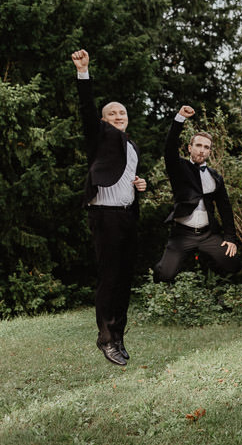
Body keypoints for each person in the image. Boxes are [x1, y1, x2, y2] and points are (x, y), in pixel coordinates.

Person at [71, 49, 147, 366]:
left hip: (127, 216)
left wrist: (139, 186)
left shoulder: (130, 145)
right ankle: (105, 339)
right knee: (109, 277)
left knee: (125, 278)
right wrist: (83, 72)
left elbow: (123, 175)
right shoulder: (99, 135)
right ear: (104, 120)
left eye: (122, 113)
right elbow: (87, 109)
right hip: (104, 216)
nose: (118, 116)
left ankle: (118, 336)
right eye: (112, 113)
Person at [154, 105, 240, 283]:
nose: (202, 150)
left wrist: (230, 237)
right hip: (182, 234)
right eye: (198, 145)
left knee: (232, 263)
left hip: (208, 235)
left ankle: (209, 284)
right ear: (189, 148)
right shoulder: (179, 167)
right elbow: (169, 148)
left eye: (206, 147)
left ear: (209, 151)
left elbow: (225, 208)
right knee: (165, 275)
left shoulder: (215, 176)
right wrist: (179, 119)